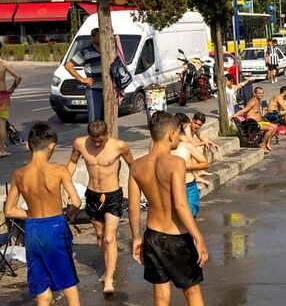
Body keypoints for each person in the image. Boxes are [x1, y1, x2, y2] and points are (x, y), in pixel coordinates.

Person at [128, 111, 208, 306]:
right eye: (179, 134)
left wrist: (137, 237)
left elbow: (132, 207)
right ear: (171, 135)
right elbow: (181, 205)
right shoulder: (176, 163)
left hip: (152, 235)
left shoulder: (137, 166)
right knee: (192, 290)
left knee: (161, 296)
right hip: (177, 238)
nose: (179, 137)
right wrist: (198, 237)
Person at [4, 123, 82, 306]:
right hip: (55, 227)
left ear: (28, 145)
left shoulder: (19, 174)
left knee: (42, 290)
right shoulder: (59, 170)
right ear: (52, 146)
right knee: (68, 284)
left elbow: (9, 211)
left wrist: (31, 213)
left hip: (33, 230)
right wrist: (69, 214)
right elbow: (77, 202)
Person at [67, 120, 134, 294]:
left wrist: (138, 190)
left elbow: (133, 166)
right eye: (94, 140)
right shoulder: (80, 143)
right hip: (92, 195)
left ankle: (109, 279)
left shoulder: (119, 146)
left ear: (107, 133)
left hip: (112, 195)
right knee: (99, 235)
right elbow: (72, 162)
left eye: (100, 140)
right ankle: (107, 267)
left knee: (110, 238)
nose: (97, 144)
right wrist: (64, 184)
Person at [173, 113, 210, 217]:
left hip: (188, 185)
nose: (183, 132)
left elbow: (205, 163)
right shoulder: (164, 146)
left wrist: (187, 167)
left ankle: (197, 176)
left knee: (189, 217)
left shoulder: (185, 145)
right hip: (174, 186)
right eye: (183, 129)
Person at [64, 28, 104, 122]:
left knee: (106, 119)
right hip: (94, 90)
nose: (101, 39)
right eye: (99, 36)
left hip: (108, 90)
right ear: (92, 37)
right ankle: (93, 137)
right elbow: (68, 65)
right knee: (94, 120)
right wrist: (82, 79)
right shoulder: (85, 52)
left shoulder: (107, 50)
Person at [233, 87, 277, 152]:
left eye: (262, 93)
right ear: (255, 94)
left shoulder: (258, 100)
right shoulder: (253, 101)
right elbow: (244, 110)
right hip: (253, 124)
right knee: (270, 129)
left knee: (275, 126)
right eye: (259, 93)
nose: (261, 94)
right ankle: (263, 144)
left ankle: (267, 143)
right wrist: (235, 115)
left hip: (260, 122)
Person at [0, 45, 22, 158]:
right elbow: (18, 76)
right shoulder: (4, 64)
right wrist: (12, 88)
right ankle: (1, 150)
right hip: (2, 95)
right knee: (2, 124)